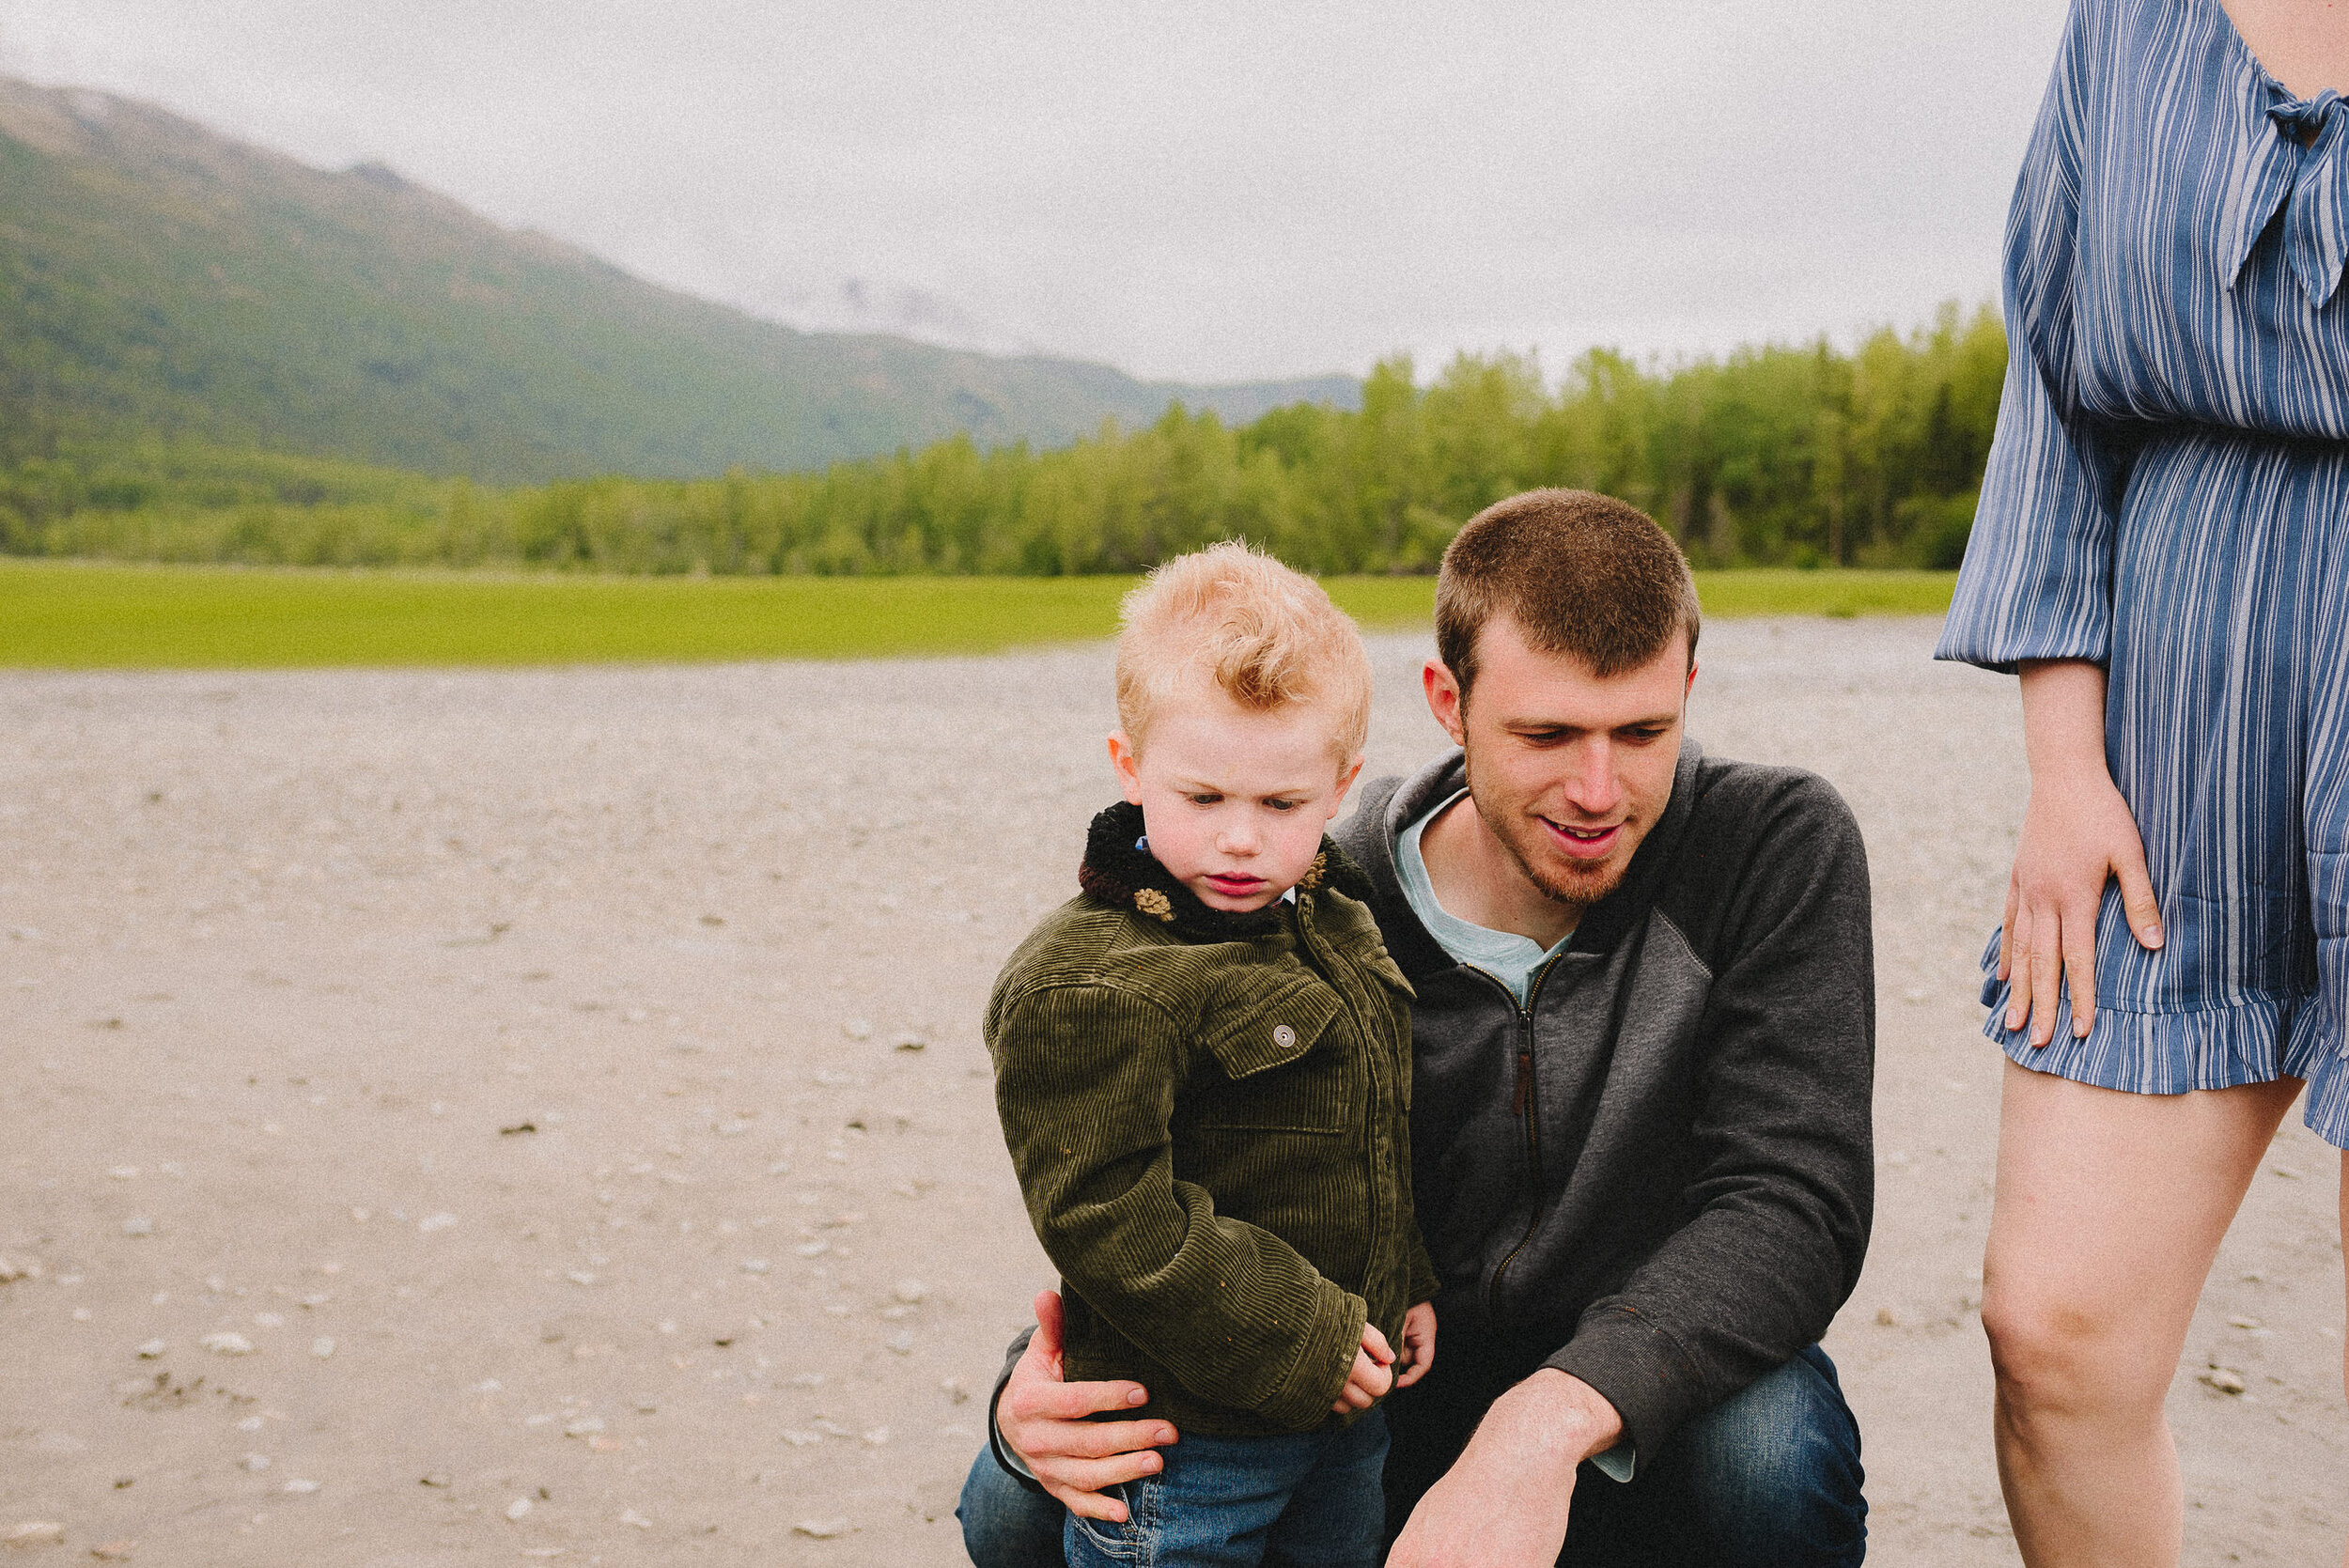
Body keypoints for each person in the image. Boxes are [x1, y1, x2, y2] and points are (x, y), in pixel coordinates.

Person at [961, 489, 1874, 1567]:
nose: (1597, 788)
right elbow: (1167, 1180)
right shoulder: (1318, 896)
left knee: (1772, 1458)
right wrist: (1037, 1395)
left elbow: (1791, 1200)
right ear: (1447, 700)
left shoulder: (1771, 846)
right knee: (1020, 1502)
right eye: (1545, 733)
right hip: (1386, 1367)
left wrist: (1545, 1422)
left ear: (1688, 688)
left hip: (1640, 1365)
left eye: (1641, 732)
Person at [1933, 0, 2349, 1562]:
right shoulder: (2131, 21)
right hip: (2164, 741)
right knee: (2056, 1332)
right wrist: (2062, 764)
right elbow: (2050, 374)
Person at [983, 542, 1441, 1566]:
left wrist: (1401, 1278)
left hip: (1343, 1423)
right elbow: (1111, 1216)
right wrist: (1307, 1336)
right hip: (1182, 1448)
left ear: (1340, 788)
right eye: (1202, 798)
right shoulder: (1090, 984)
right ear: (1130, 768)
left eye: (1281, 806)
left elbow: (1368, 1132)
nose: (1241, 839)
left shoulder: (1332, 918)